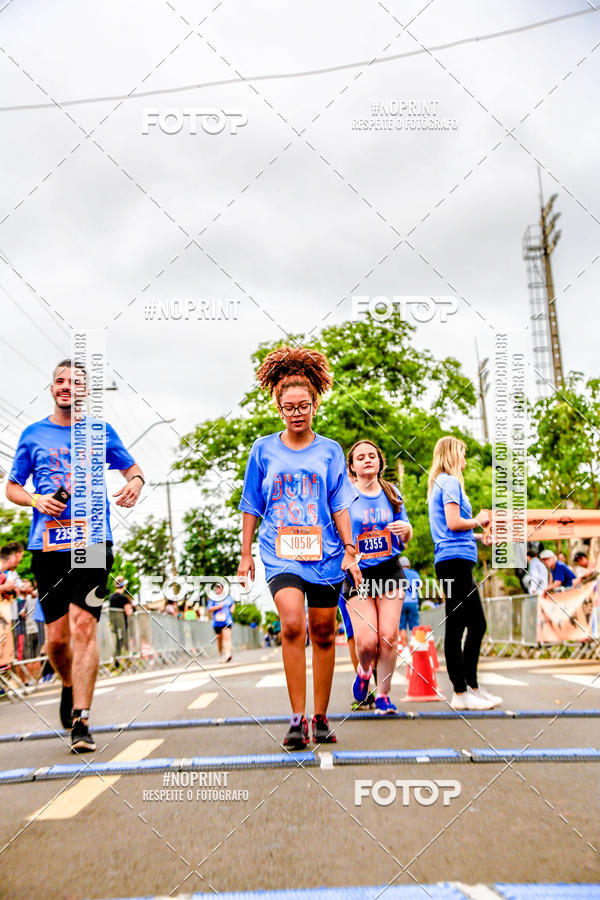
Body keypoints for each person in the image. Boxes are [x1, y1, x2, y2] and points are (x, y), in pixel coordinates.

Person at [6, 359, 144, 752]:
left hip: (93, 544)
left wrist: (134, 482)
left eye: (76, 382)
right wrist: (35, 498)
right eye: (61, 381)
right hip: (47, 547)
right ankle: (68, 683)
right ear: (52, 388)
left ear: (86, 391)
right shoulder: (34, 434)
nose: (67, 387)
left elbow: (134, 469)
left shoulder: (100, 432)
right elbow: (13, 487)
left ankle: (81, 720)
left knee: (84, 627)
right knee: (56, 640)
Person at [238, 345, 361, 749]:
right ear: (279, 408)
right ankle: (296, 719)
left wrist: (349, 548)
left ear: (314, 406)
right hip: (280, 551)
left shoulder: (329, 451)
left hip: (324, 553)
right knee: (293, 624)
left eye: (303, 405)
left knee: (324, 632)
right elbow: (251, 505)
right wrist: (244, 555)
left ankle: (321, 717)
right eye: (289, 407)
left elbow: (340, 502)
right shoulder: (262, 449)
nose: (296, 413)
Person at [427, 436, 500, 710]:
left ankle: (472, 687)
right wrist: (478, 520)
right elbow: (454, 522)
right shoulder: (449, 482)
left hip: (457, 557)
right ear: (452, 454)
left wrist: (480, 536)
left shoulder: (442, 483)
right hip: (453, 560)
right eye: (463, 454)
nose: (466, 461)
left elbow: (456, 527)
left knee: (476, 625)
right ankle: (460, 692)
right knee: (458, 625)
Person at [343, 440, 412, 715]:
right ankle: (363, 672)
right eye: (361, 457)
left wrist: (406, 529)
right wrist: (348, 561)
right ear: (352, 466)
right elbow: (335, 536)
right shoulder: (344, 496)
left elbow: (405, 537)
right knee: (367, 641)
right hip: (358, 574)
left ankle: (383, 695)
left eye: (372, 456)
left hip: (389, 570)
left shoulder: (391, 492)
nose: (367, 460)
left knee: (389, 636)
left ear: (380, 462)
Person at [106, 575, 132, 666]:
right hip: (122, 624)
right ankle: (126, 661)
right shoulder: (124, 598)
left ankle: (116, 661)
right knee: (123, 641)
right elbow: (128, 612)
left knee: (116, 641)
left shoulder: (111, 597)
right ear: (123, 586)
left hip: (113, 624)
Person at [207, 583, 235, 662]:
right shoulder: (213, 599)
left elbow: (232, 604)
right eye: (217, 588)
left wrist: (232, 609)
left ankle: (228, 654)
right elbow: (209, 609)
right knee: (219, 639)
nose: (218, 589)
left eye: (220, 587)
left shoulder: (228, 597)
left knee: (227, 637)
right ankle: (221, 654)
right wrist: (218, 607)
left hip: (227, 620)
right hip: (217, 622)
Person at [398, 556, 422, 647]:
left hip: (401, 602)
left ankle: (405, 649)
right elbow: (419, 586)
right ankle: (416, 647)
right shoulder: (415, 573)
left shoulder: (398, 574)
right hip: (413, 601)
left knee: (402, 627)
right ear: (409, 565)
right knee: (415, 626)